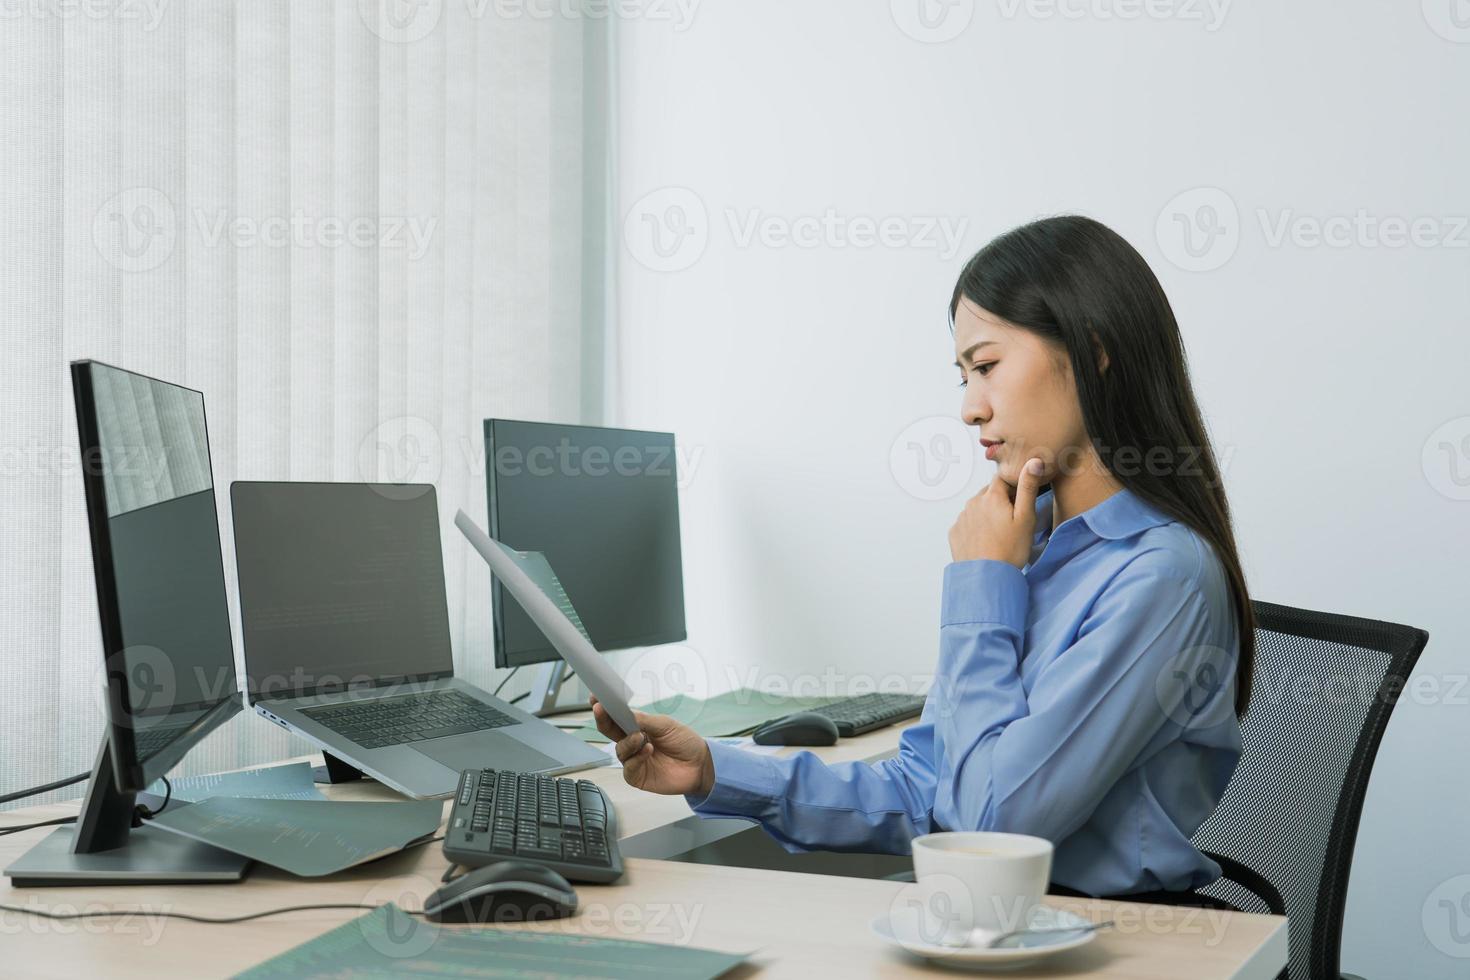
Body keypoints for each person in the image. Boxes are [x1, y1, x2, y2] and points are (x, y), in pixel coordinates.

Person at [592, 215, 1254, 906]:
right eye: (963, 375)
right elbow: (927, 791)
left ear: (1094, 350)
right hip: (998, 930)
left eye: (988, 366)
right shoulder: (1033, 552)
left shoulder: (1161, 577)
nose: (970, 409)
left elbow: (989, 828)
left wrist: (983, 584)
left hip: (1112, 941)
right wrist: (712, 771)